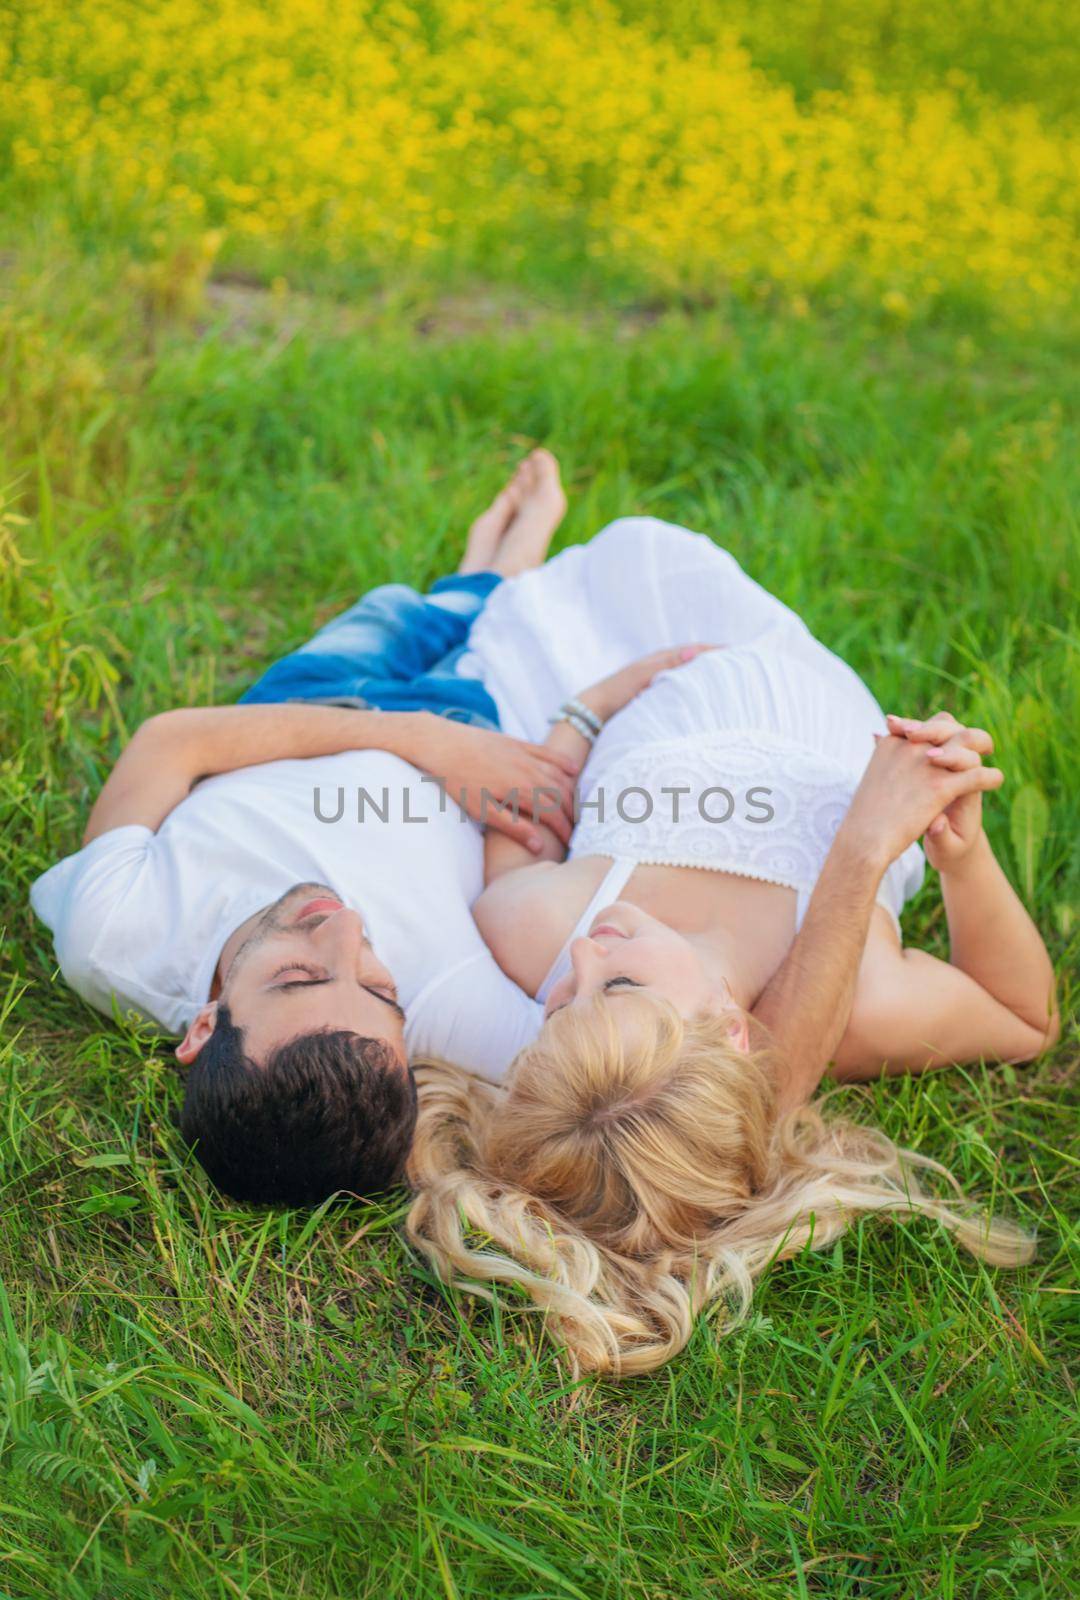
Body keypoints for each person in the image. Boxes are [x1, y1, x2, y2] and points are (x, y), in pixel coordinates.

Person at [405, 517, 1061, 1377]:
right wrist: (962, 856)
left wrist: (587, 706)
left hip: (647, 683)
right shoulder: (860, 1001)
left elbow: (528, 806)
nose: (586, 956)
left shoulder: (539, 925)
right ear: (732, 1027)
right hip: (803, 686)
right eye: (621, 983)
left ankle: (492, 573)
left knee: (614, 562)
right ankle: (492, 571)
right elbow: (1025, 1016)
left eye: (560, 1006)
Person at [30, 451, 576, 1206]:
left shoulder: (112, 937)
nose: (346, 928)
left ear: (203, 1026)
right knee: (489, 629)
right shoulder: (456, 1012)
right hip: (474, 730)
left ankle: (478, 569)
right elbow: (634, 1067)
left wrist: (408, 736)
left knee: (392, 613)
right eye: (383, 990)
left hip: (305, 707)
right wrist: (438, 738)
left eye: (297, 974)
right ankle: (505, 559)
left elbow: (171, 742)